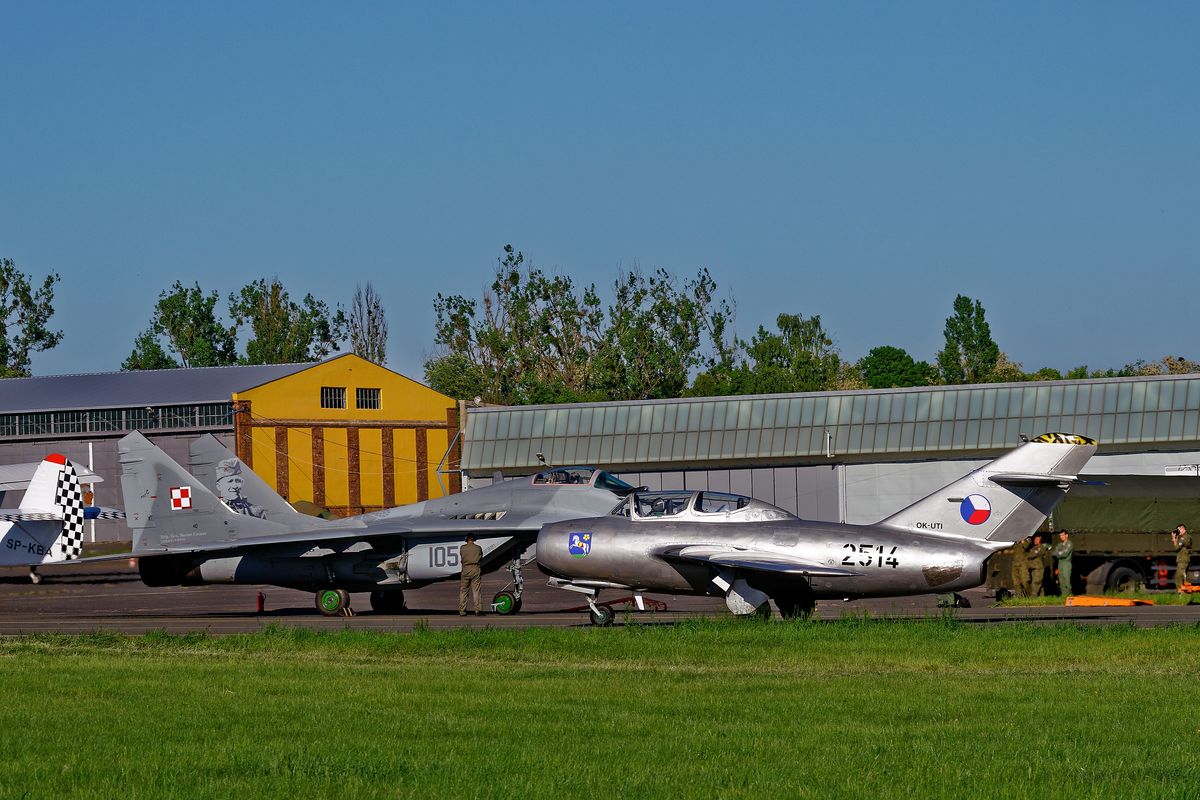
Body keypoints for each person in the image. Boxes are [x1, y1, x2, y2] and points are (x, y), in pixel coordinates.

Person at [458, 533, 484, 615]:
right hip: (475, 568)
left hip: (465, 569)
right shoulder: (478, 548)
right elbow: (481, 557)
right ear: (473, 539)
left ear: (466, 539)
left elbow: (462, 558)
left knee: (463, 591)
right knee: (476, 591)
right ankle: (478, 610)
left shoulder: (462, 548)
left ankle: (462, 610)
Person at [1052, 529, 1074, 595]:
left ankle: (1070, 595)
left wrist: (1058, 553)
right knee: (1061, 581)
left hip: (1066, 564)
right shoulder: (1059, 544)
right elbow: (1054, 553)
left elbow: (1065, 554)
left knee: (1067, 580)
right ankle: (1064, 596)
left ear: (1066, 535)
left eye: (1062, 535)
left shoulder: (1069, 543)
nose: (1061, 537)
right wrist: (1059, 553)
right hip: (1060, 563)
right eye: (1060, 535)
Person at [1171, 524, 1191, 591]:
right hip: (1182, 559)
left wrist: (1174, 538)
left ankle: (1180, 592)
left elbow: (1176, 547)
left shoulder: (1185, 538)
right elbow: (1177, 547)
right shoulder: (1183, 538)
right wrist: (1176, 538)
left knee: (1179, 576)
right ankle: (1183, 592)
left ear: (1183, 529)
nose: (1178, 532)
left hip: (1183, 559)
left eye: (1178, 530)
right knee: (1183, 576)